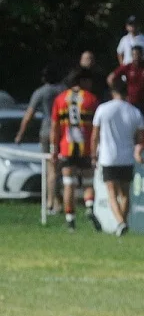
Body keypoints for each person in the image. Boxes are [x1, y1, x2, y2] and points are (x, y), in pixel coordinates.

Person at [91, 75, 144, 237]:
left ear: (113, 92)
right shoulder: (134, 111)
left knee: (111, 193)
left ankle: (120, 222)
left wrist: (93, 155)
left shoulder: (103, 109)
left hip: (108, 156)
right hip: (126, 156)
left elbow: (95, 135)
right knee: (125, 193)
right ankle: (123, 221)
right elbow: (141, 136)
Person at [50, 70, 100, 231]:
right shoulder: (91, 99)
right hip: (85, 147)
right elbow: (96, 126)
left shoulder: (60, 99)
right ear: (83, 81)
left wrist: (54, 148)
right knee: (88, 183)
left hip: (66, 147)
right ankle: (90, 207)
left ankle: (70, 220)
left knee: (68, 184)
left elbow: (55, 126)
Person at [15, 66, 66, 212]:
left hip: (47, 130)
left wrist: (20, 134)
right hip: (62, 132)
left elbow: (29, 114)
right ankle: (55, 200)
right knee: (58, 168)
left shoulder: (41, 92)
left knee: (51, 168)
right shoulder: (64, 91)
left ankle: (51, 201)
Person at [111, 45, 144, 114]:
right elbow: (111, 78)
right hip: (132, 101)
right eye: (134, 54)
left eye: (138, 54)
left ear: (142, 54)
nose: (136, 56)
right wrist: (120, 90)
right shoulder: (128, 67)